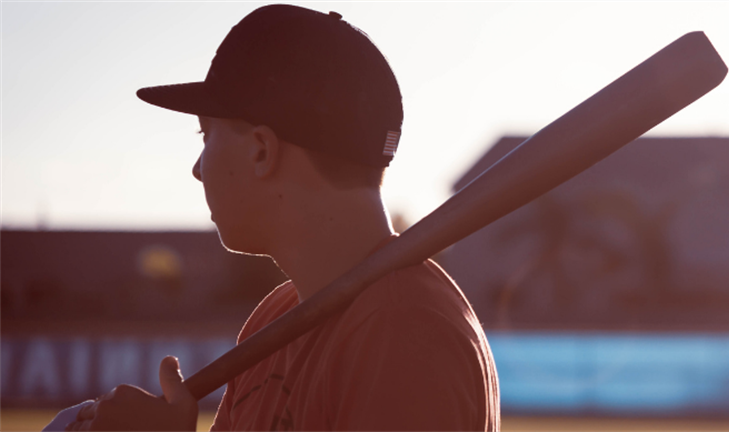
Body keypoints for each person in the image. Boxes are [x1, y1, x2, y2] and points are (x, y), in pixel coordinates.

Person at [52, 4, 500, 431]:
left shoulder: (404, 333)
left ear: (261, 151)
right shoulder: (276, 317)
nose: (197, 167)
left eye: (205, 134)